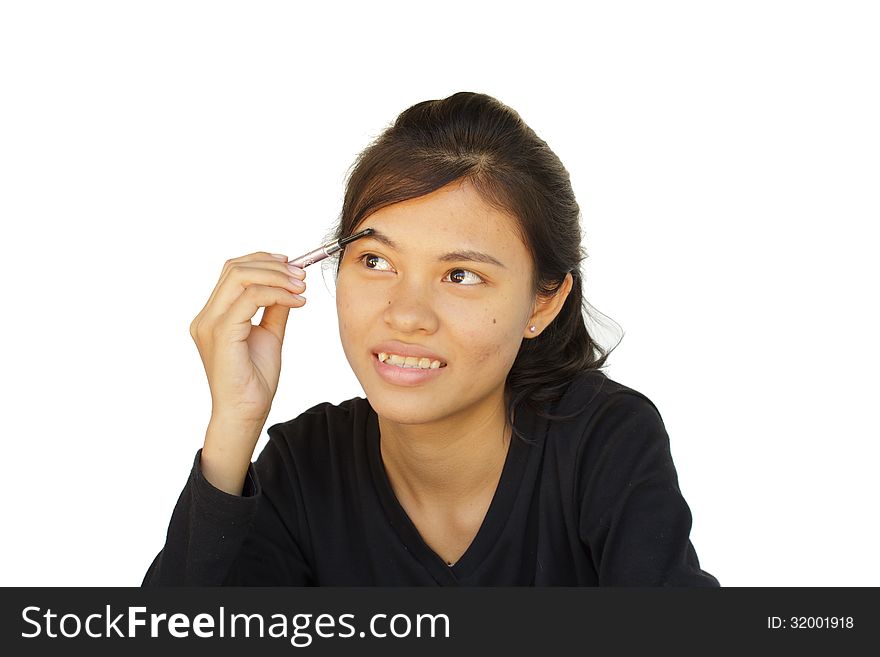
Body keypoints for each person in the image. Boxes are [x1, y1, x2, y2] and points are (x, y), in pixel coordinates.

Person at [142, 91, 719, 586]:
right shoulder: (304, 466)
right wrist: (232, 427)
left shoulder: (603, 444)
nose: (407, 315)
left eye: (460, 275)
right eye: (375, 260)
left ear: (543, 302)